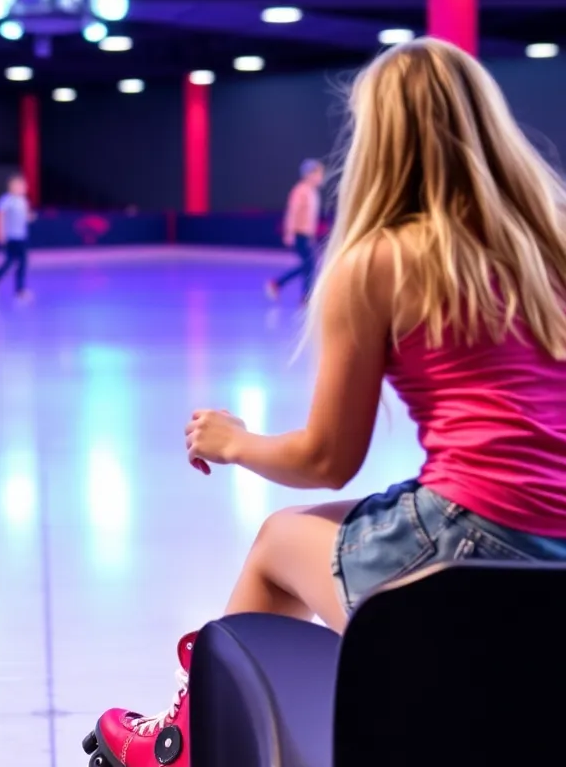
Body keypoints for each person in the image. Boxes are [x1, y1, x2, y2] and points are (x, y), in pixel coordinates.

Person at [85, 38, 566, 766]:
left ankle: (187, 743)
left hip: (471, 541)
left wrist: (232, 440)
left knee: (281, 538)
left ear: (379, 138)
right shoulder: (549, 245)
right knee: (362, 517)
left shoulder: (380, 260)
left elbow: (327, 459)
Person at [265, 158, 325, 304]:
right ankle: (280, 285)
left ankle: (298, 294)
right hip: (299, 234)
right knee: (308, 265)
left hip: (307, 235)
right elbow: (292, 212)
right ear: (310, 174)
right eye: (318, 173)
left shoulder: (312, 192)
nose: (321, 177)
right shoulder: (301, 190)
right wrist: (289, 232)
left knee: (308, 265)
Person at [0, 172, 34, 300]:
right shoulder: (6, 200)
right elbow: (0, 217)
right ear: (11, 186)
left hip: (21, 237)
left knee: (22, 263)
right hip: (11, 237)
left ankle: (20, 289)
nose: (22, 187)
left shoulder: (23, 201)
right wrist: (0, 232)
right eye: (19, 185)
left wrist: (30, 217)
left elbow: (26, 217)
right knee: (9, 262)